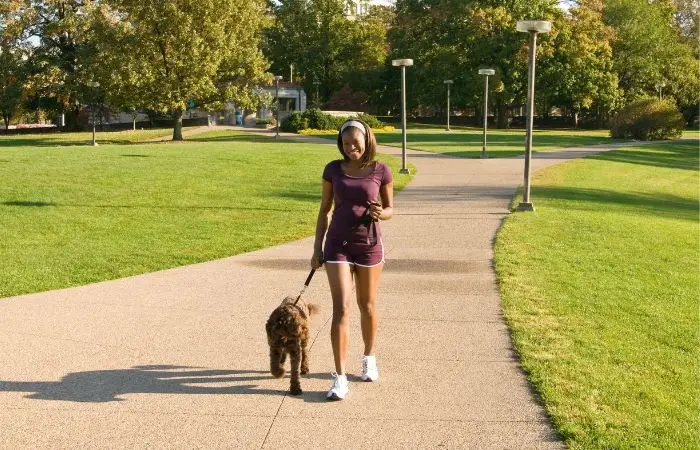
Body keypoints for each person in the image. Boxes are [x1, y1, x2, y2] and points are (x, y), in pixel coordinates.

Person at [310, 119, 394, 401]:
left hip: (369, 245)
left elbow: (391, 209)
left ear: (367, 140)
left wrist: (379, 213)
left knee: (367, 305)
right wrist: (316, 248)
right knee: (341, 309)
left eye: (355, 143)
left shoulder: (381, 170)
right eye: (345, 144)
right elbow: (324, 211)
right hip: (337, 246)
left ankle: (369, 357)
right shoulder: (333, 169)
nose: (350, 148)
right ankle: (339, 377)